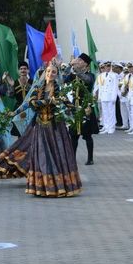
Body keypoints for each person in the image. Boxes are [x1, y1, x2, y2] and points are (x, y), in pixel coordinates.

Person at [23, 63, 82, 197]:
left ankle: (59, 186)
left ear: (57, 75)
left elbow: (68, 104)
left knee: (58, 154)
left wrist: (82, 110)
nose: (50, 74)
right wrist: (14, 113)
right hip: (41, 127)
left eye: (54, 72)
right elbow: (30, 103)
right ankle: (42, 186)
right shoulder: (38, 88)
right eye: (49, 71)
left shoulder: (59, 90)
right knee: (42, 155)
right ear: (45, 73)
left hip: (55, 127)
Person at [64, 53, 99, 165]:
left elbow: (87, 80)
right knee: (74, 135)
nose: (77, 62)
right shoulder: (73, 75)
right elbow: (63, 79)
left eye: (79, 60)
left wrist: (76, 70)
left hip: (85, 106)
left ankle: (90, 158)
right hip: (75, 106)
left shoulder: (90, 75)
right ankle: (72, 158)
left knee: (87, 135)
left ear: (85, 64)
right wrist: (70, 65)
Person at [5, 61, 33, 136]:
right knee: (19, 133)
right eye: (21, 69)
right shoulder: (14, 82)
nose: (23, 70)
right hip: (18, 110)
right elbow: (10, 96)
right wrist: (10, 85)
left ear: (28, 70)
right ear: (18, 71)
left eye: (25, 69)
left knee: (31, 132)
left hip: (30, 109)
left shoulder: (32, 82)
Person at [97, 61, 119, 134]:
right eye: (106, 66)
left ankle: (111, 127)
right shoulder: (101, 75)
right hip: (103, 96)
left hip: (110, 96)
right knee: (105, 112)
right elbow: (100, 87)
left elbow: (115, 87)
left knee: (111, 112)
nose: (107, 67)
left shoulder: (114, 75)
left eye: (109, 66)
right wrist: (100, 96)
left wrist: (114, 97)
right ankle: (106, 127)